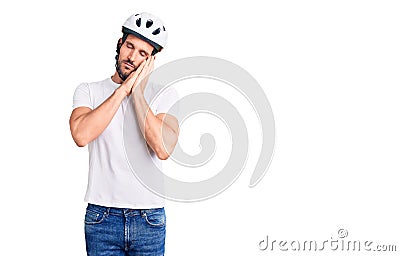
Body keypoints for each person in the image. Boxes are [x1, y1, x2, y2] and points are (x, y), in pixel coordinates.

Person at [69, 12, 179, 256]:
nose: (132, 57)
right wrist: (122, 91)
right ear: (120, 43)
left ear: (151, 61)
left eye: (143, 53)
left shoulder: (166, 95)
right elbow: (81, 135)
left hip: (149, 219)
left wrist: (137, 94)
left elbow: (162, 149)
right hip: (102, 217)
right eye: (130, 46)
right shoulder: (89, 90)